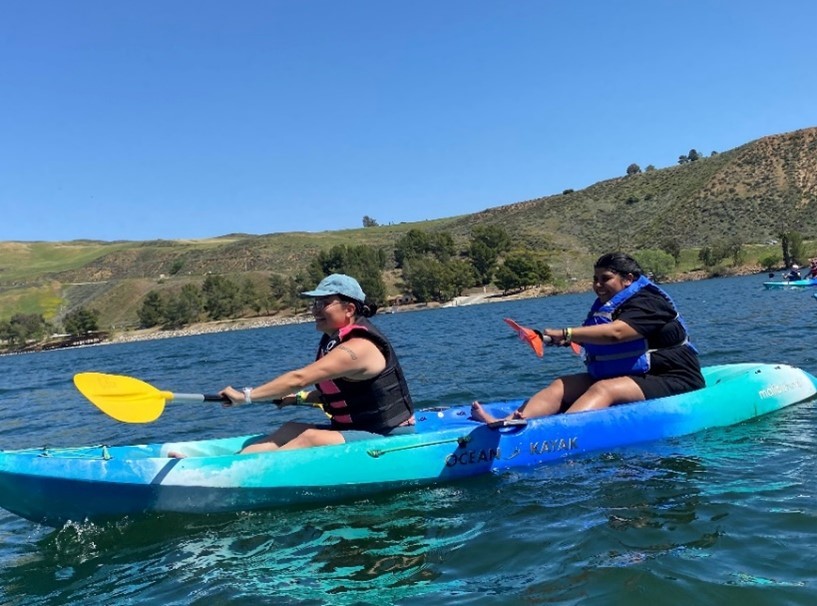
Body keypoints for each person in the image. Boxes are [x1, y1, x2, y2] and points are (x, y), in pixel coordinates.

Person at [186, 274, 414, 456]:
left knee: (310, 438)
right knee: (291, 428)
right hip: (353, 431)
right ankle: (229, 463)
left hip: (387, 435)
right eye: (315, 302)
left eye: (324, 303)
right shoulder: (335, 341)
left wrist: (246, 396)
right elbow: (344, 393)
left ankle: (240, 474)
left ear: (349, 309)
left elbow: (299, 379)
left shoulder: (358, 348)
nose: (315, 309)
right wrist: (295, 399)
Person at [472, 252, 704, 423]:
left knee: (604, 389)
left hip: (672, 377)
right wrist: (546, 338)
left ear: (629, 279)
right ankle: (511, 422)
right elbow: (589, 338)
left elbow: (616, 333)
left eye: (605, 278)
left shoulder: (651, 303)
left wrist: (567, 332)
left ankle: (558, 433)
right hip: (631, 375)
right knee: (561, 385)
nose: (598, 285)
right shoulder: (609, 306)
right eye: (595, 279)